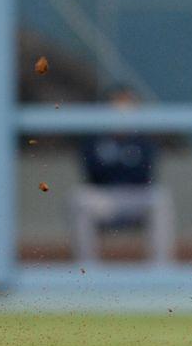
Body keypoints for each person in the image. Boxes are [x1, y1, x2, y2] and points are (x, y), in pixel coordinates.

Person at [70, 86, 174, 265]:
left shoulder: (143, 139)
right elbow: (92, 172)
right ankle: (87, 269)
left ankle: (161, 268)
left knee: (161, 198)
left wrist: (117, 163)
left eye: (127, 107)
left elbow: (144, 173)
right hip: (105, 198)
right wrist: (119, 161)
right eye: (117, 106)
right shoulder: (95, 138)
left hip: (135, 197)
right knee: (77, 199)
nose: (122, 112)